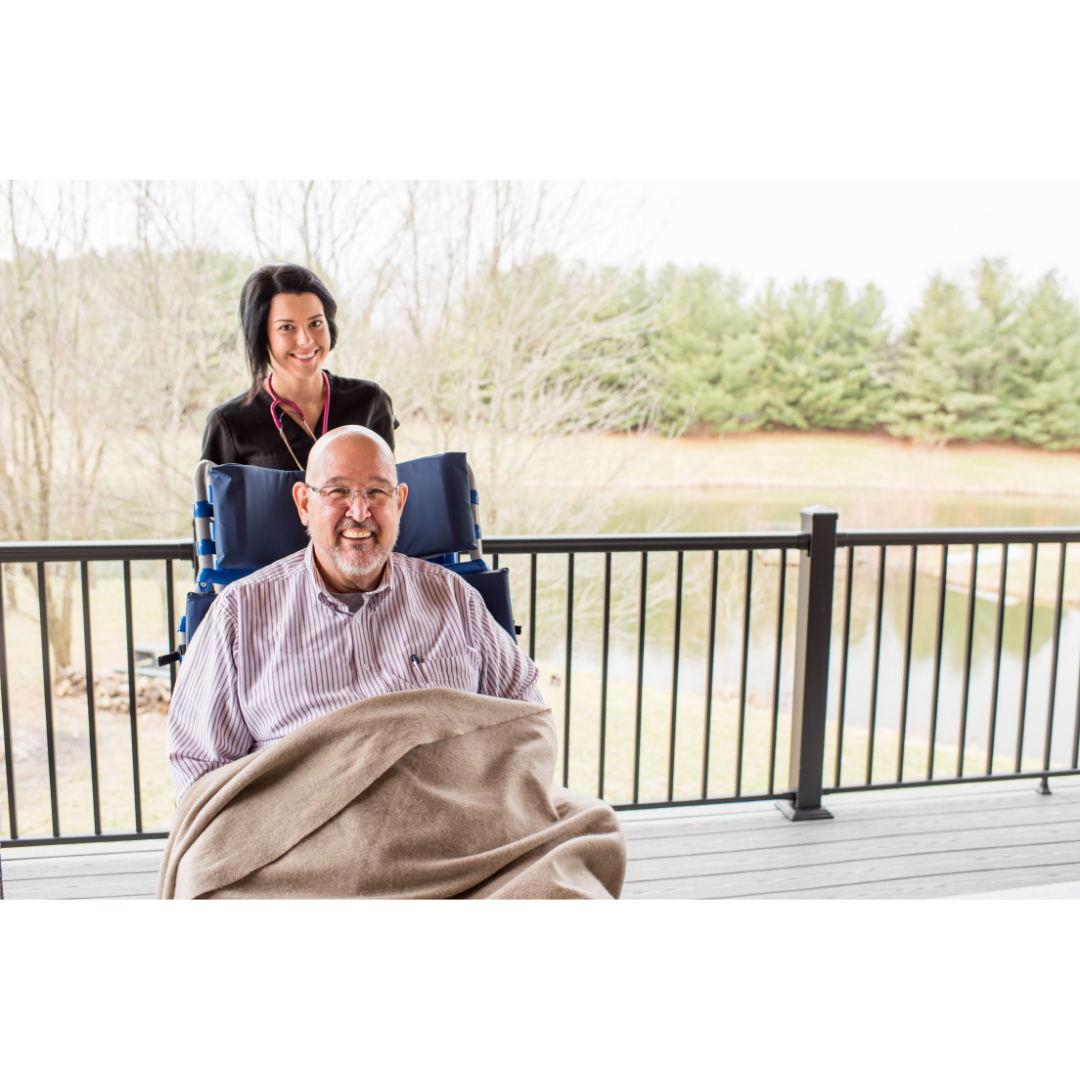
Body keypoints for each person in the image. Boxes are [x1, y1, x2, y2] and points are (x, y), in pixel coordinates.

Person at [167, 425, 542, 799]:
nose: (359, 512)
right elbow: (198, 767)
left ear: (399, 503)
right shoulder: (238, 614)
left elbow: (527, 718)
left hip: (458, 827)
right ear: (304, 504)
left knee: (593, 835)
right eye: (338, 492)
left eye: (377, 492)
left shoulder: (454, 597)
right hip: (309, 840)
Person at [200, 264, 397, 471]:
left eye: (315, 323)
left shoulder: (370, 402)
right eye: (286, 327)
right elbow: (218, 502)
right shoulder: (229, 424)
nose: (306, 340)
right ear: (261, 336)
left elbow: (388, 494)